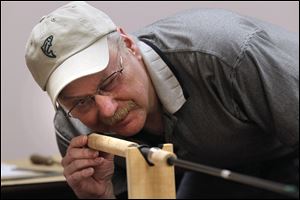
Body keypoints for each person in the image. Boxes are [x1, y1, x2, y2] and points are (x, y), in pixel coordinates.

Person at [25, 1, 299, 199]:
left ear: (129, 45)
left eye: (110, 81)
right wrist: (100, 197)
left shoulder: (227, 55)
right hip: (218, 165)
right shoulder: (74, 129)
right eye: (82, 102)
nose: (107, 110)